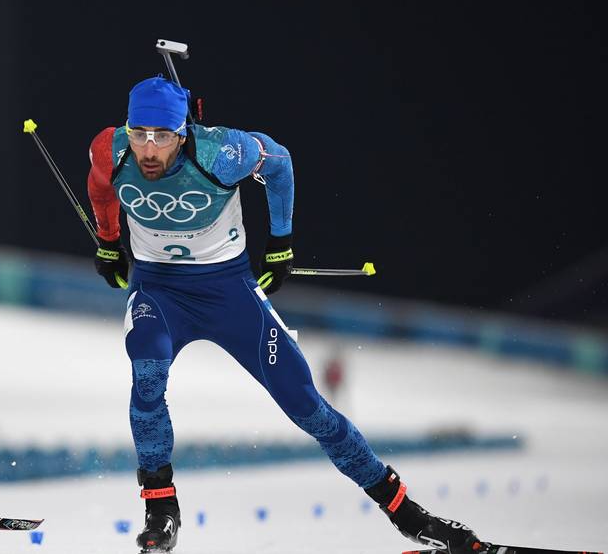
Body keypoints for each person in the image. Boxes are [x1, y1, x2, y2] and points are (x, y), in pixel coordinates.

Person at [86, 76, 482, 553]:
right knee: (147, 372)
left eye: (163, 136)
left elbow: (280, 163)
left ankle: (405, 512)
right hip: (159, 289)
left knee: (307, 406)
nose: (149, 149)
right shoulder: (111, 149)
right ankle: (161, 507)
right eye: (139, 133)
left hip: (228, 291)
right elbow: (101, 189)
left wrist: (281, 242)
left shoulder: (221, 153)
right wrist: (109, 242)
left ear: (184, 132)